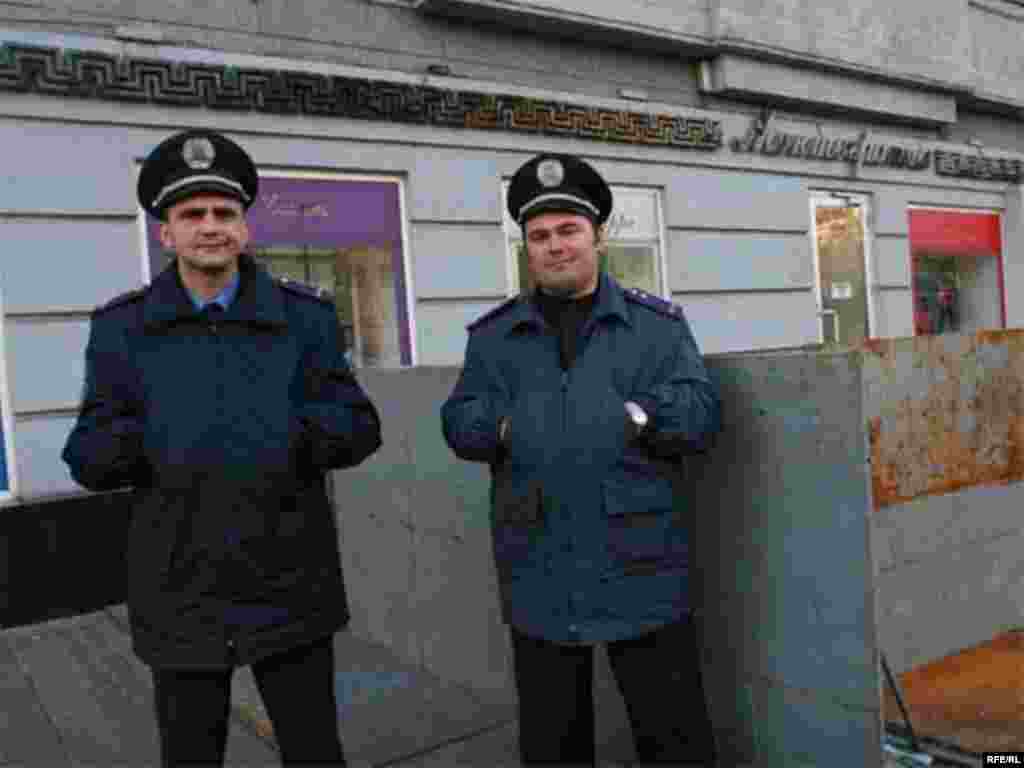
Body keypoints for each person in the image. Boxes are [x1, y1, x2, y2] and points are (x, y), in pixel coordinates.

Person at [62, 129, 382, 767]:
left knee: (315, 751)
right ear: (166, 233)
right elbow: (90, 452)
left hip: (290, 584)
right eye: (192, 215)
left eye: (224, 213)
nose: (210, 227)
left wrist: (275, 432)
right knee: (190, 755)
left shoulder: (305, 319)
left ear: (245, 227)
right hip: (179, 589)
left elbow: (358, 427)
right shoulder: (122, 329)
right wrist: (160, 437)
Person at [441, 153, 722, 765]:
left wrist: (637, 417)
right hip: (539, 565)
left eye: (568, 230)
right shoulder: (494, 337)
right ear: (526, 248)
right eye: (539, 236)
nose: (554, 246)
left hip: (641, 563)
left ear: (597, 236)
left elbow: (700, 412)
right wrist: (505, 424)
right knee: (553, 742)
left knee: (674, 736)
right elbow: (459, 423)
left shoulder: (655, 327)